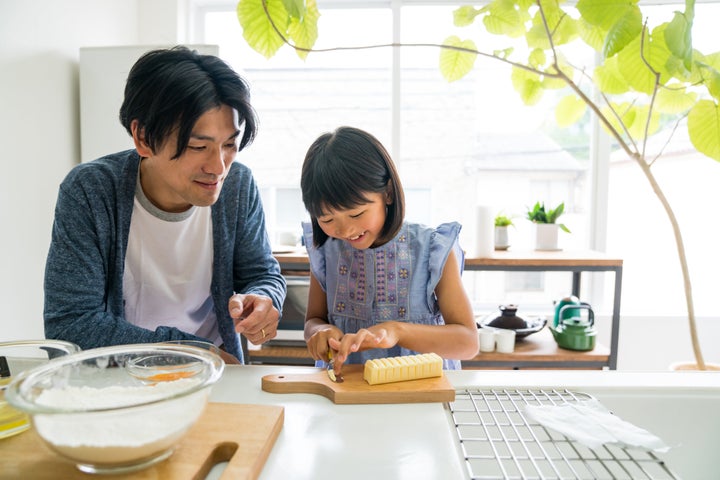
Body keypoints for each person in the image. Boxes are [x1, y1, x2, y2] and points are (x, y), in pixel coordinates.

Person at [44, 46, 286, 364]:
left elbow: (262, 272)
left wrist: (265, 298)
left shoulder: (238, 186)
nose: (218, 167)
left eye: (229, 144)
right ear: (143, 138)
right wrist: (192, 352)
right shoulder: (91, 192)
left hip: (218, 377)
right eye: (198, 146)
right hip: (120, 381)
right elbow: (71, 323)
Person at [300, 126, 479, 375]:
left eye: (356, 213)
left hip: (422, 394)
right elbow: (313, 320)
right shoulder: (325, 252)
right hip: (345, 393)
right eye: (327, 219)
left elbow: (467, 342)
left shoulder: (433, 248)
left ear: (388, 194)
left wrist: (398, 330)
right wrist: (320, 332)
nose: (345, 229)